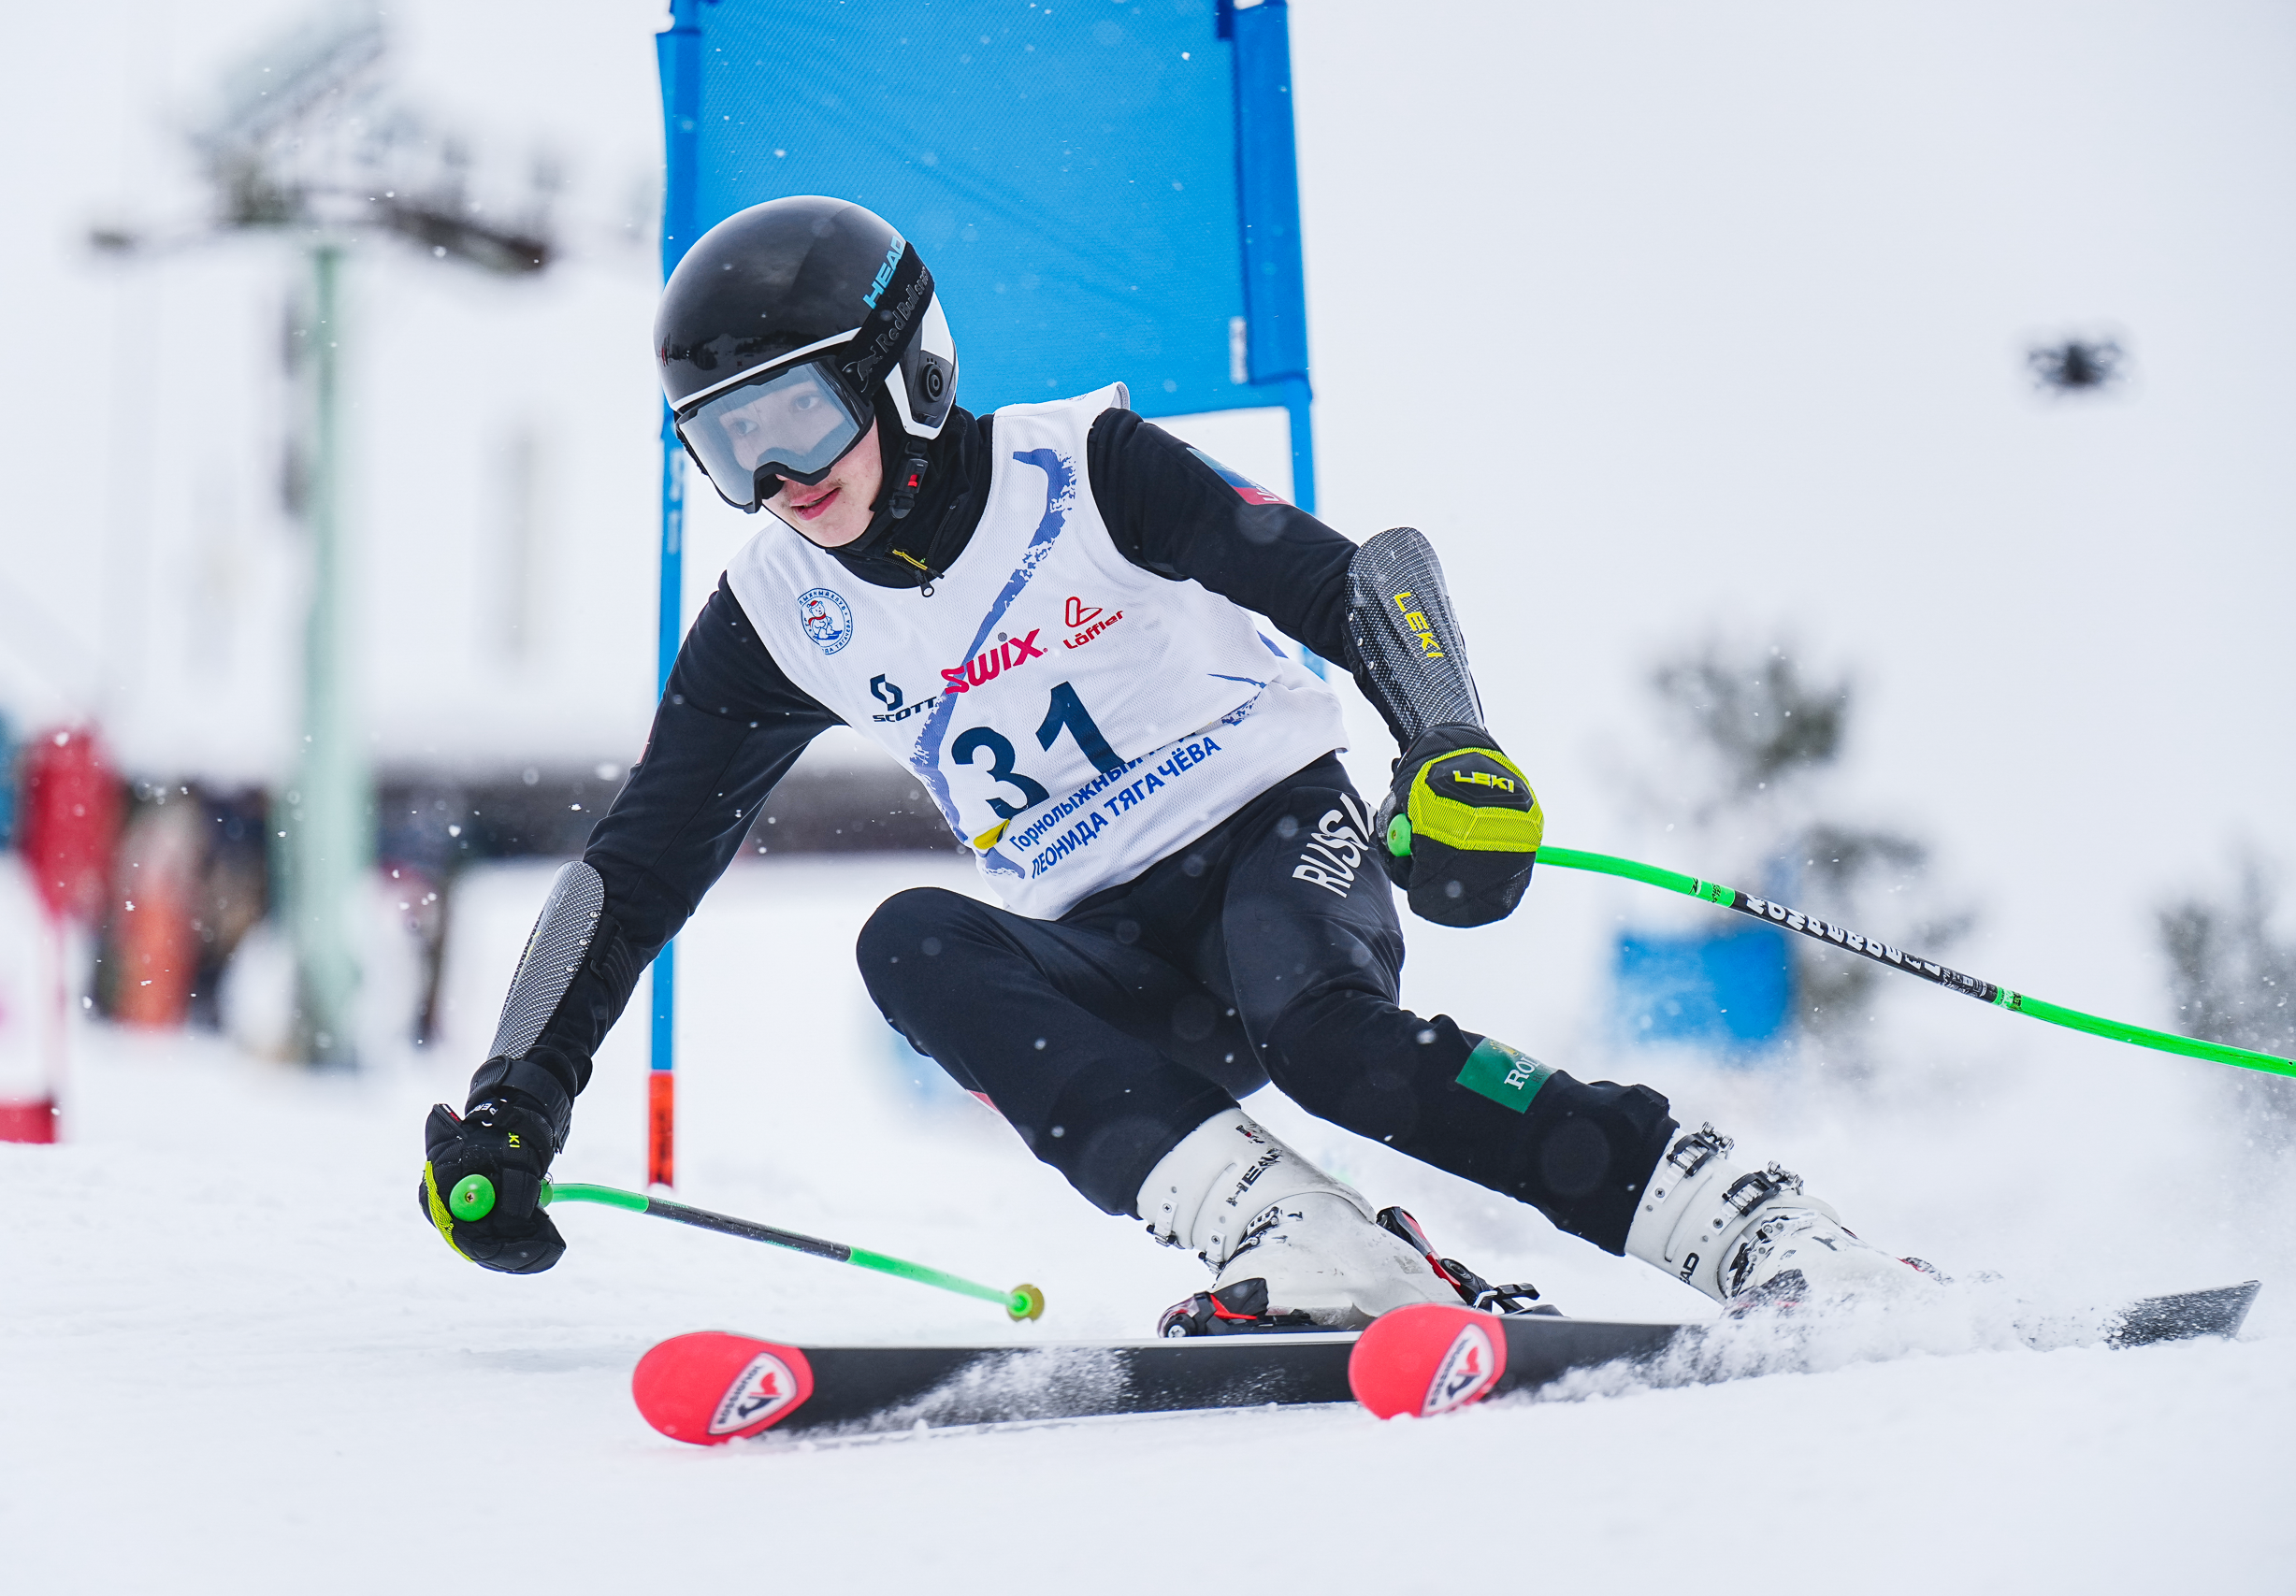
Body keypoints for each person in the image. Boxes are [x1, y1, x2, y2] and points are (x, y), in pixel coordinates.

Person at [417, 195, 1934, 1332]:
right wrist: (518, 1095)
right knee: (913, 940)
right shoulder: (776, 612)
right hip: (1116, 941)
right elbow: (631, 873)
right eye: (724, 445)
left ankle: (1739, 1216)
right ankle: (1315, 1245)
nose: (779, 481)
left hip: (1280, 834)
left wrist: (1449, 742)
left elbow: (1364, 573)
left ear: (903, 374)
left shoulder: (1083, 470)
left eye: (798, 419)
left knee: (1329, 1038)